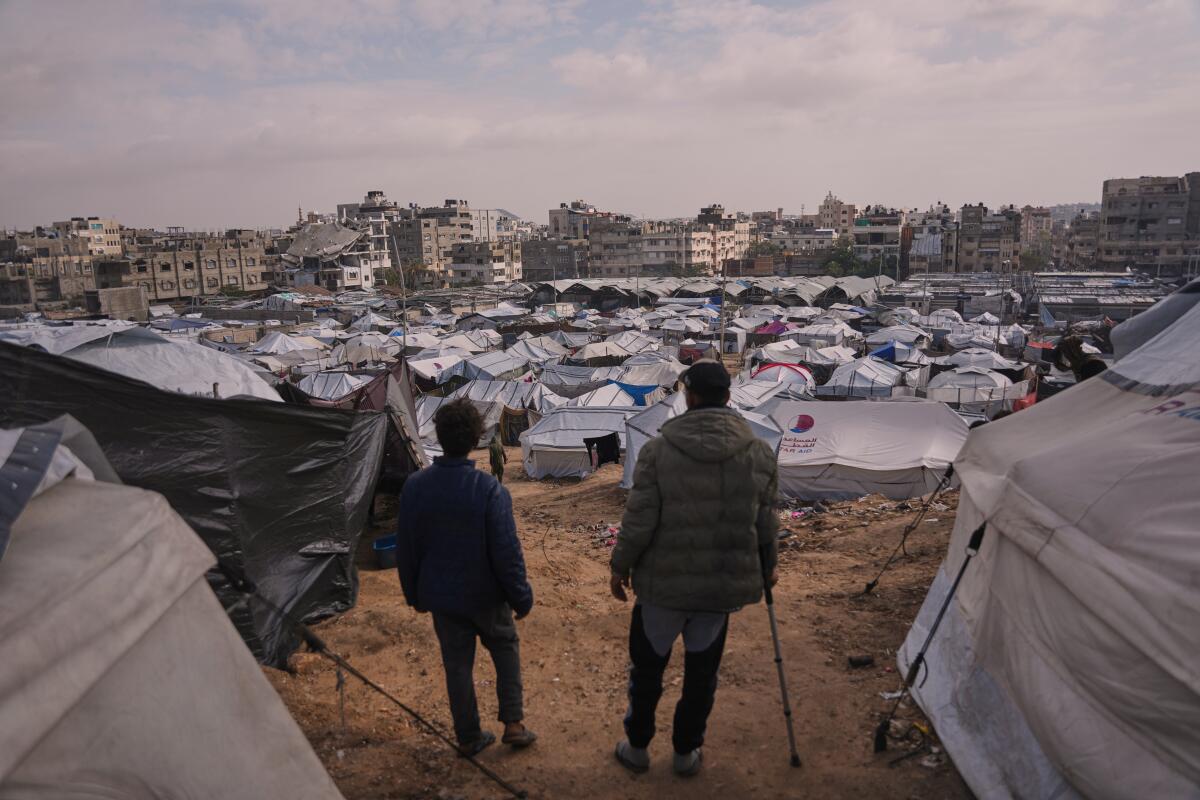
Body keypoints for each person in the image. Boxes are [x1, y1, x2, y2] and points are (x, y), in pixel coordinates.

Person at [609, 360, 780, 777]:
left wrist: (620, 566)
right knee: (702, 674)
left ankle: (637, 748)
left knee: (648, 671)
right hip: (718, 590)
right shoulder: (757, 452)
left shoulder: (657, 451)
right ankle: (686, 752)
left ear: (690, 396)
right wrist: (768, 567)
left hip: (661, 589)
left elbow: (639, 519)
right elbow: (766, 522)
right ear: (728, 396)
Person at [396, 399, 536, 755]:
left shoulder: (415, 487)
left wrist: (413, 593)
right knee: (504, 649)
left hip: (443, 599)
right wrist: (520, 597)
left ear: (439, 438)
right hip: (487, 596)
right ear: (476, 437)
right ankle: (514, 723)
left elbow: (407, 548)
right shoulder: (489, 490)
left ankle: (469, 736)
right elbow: (506, 551)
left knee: (457, 666)